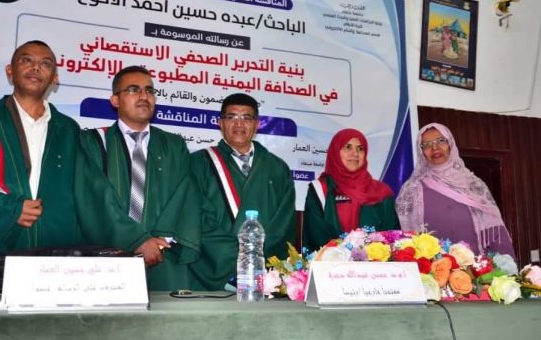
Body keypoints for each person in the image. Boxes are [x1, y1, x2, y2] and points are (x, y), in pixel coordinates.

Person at [0, 40, 82, 287]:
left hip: (52, 255)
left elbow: (81, 194)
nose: (36, 68)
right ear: (10, 71)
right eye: (26, 60)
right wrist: (10, 210)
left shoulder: (69, 130)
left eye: (46, 64)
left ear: (55, 78)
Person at [75, 65, 200, 291]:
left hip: (164, 257)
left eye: (149, 91)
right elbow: (95, 200)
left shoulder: (174, 145)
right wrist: (137, 240)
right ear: (115, 100)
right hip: (110, 258)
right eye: (133, 90)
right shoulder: (92, 142)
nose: (144, 96)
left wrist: (158, 242)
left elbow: (184, 197)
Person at [188, 93, 295, 291]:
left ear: (257, 124)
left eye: (246, 117)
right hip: (216, 269)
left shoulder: (277, 168)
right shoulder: (198, 163)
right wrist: (237, 258)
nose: (239, 124)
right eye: (231, 117)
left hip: (265, 273)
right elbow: (196, 218)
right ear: (220, 123)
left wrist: (258, 260)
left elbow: (284, 223)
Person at [396, 123, 516, 257]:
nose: (434, 147)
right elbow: (407, 238)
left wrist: (506, 264)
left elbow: (495, 231)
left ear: (450, 144)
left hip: (475, 267)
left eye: (441, 140)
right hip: (431, 268)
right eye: (426, 144)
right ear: (421, 152)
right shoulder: (411, 190)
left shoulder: (473, 185)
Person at [303, 128, 400, 249]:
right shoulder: (320, 189)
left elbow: (392, 237)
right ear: (335, 152)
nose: (355, 153)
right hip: (331, 259)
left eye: (360, 149)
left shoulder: (381, 192)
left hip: (375, 260)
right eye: (348, 147)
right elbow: (315, 236)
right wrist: (345, 254)